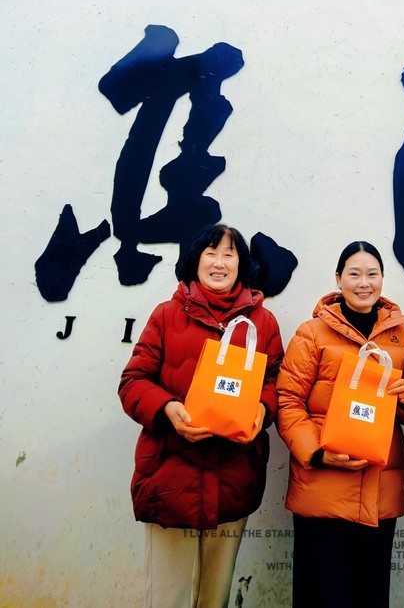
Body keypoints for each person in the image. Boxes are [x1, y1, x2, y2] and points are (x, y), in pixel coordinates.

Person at [119, 223, 284, 608]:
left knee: (215, 598)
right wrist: (168, 409)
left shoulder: (263, 323)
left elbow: (275, 381)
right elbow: (133, 382)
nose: (219, 263)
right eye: (211, 253)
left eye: (229, 254)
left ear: (242, 265)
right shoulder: (166, 315)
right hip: (170, 480)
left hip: (232, 480)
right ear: (195, 261)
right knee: (167, 599)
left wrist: (262, 409)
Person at [276, 241, 404, 608]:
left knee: (371, 596)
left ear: (382, 278)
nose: (363, 283)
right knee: (324, 595)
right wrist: (318, 453)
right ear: (338, 279)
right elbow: (287, 401)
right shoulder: (312, 333)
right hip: (323, 491)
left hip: (380, 492)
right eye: (354, 274)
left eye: (372, 274)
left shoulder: (400, 336)